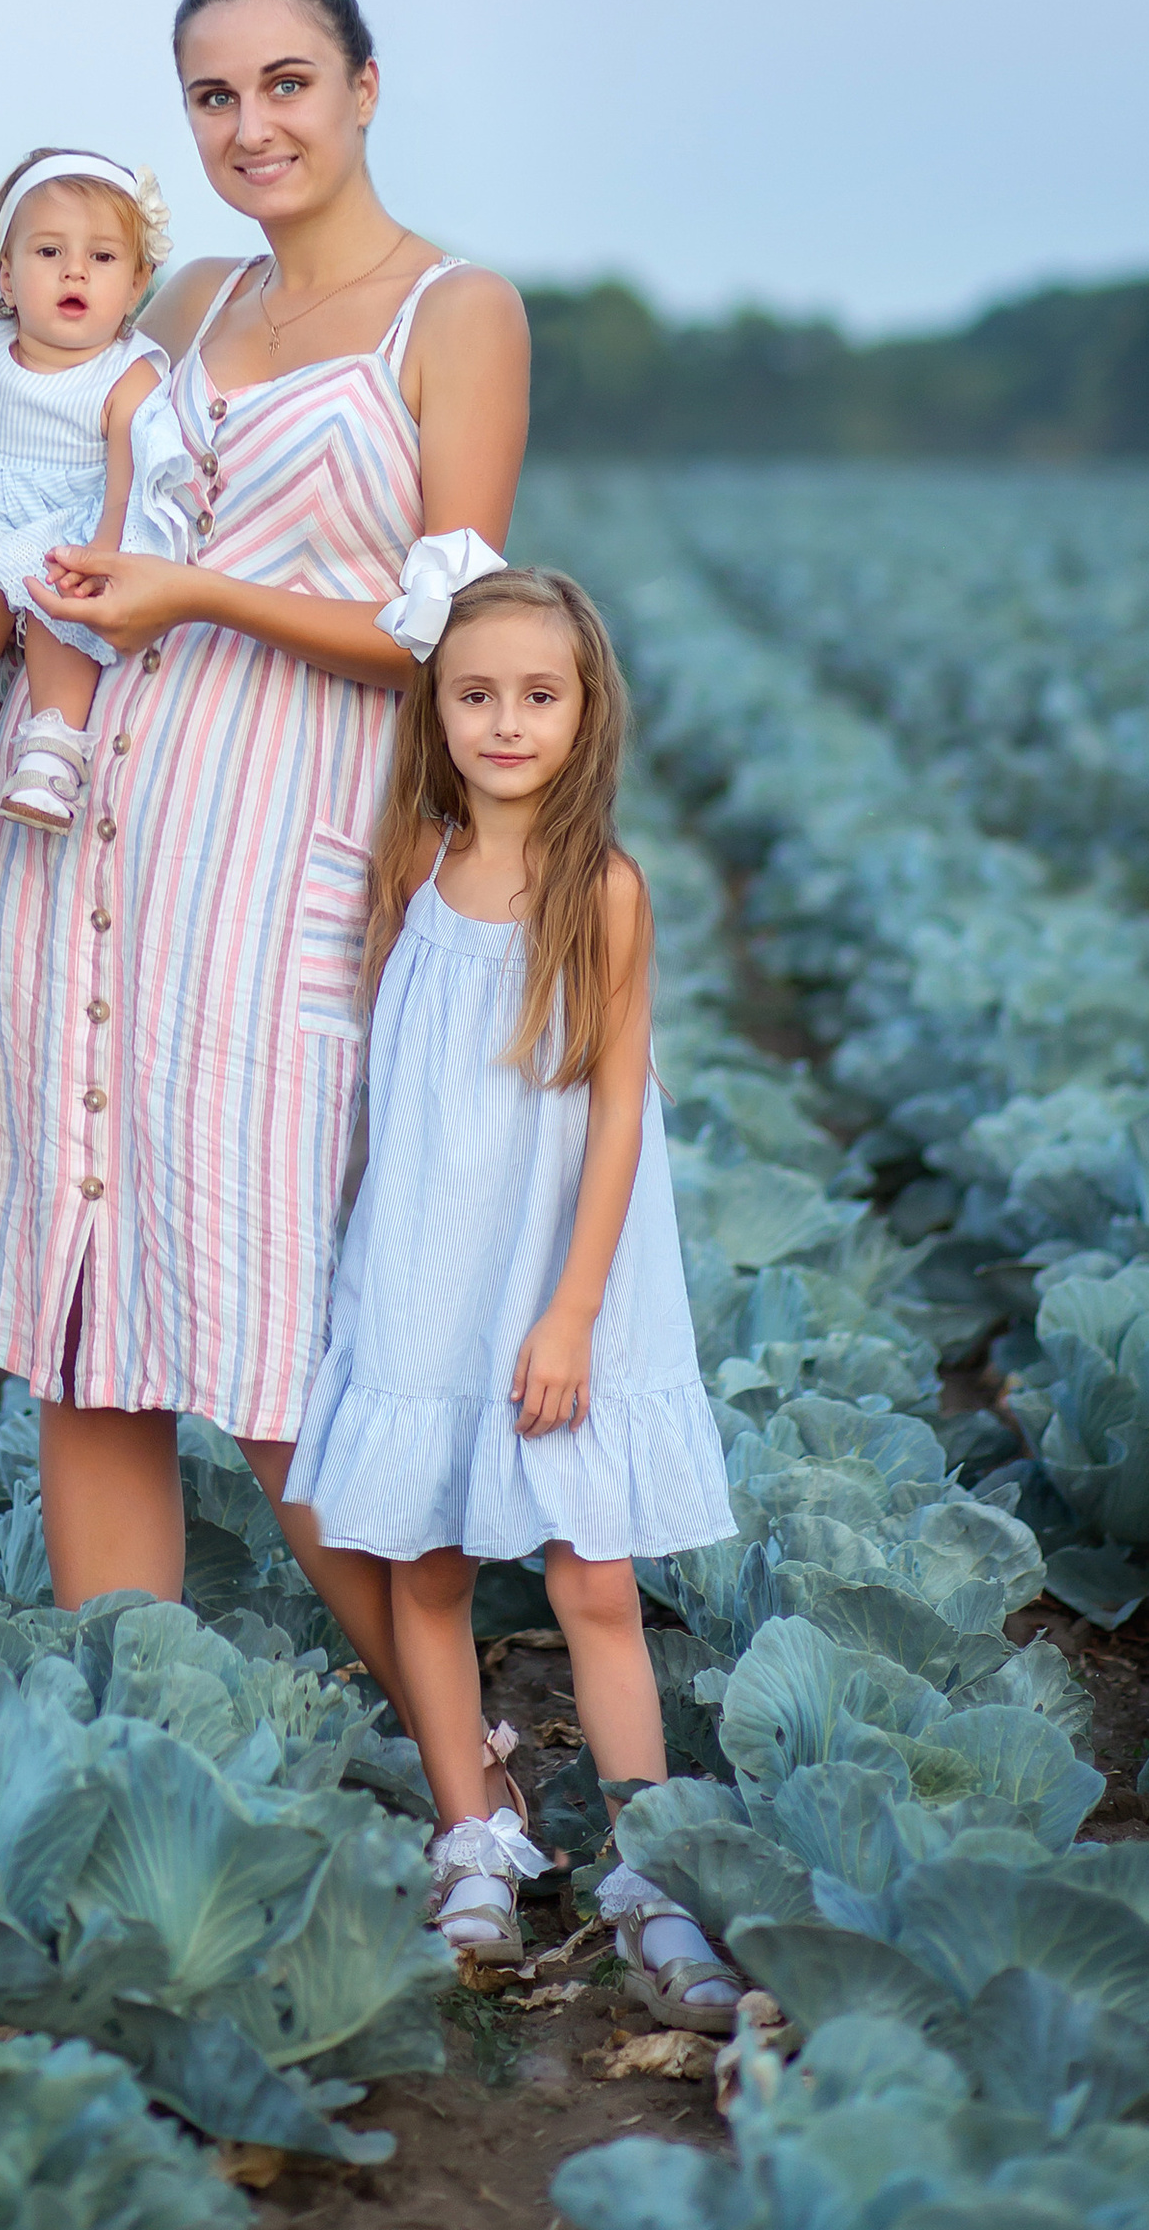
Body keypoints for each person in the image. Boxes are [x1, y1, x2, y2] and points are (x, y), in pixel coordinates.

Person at [0, 0, 527, 1682]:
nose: (253, 129)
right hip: (77, 835)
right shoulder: (178, 295)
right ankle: (130, 1739)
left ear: (367, 86)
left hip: (276, 854)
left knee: (276, 1336)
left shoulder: (457, 314)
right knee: (88, 1325)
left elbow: (460, 639)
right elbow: (49, 496)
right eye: (213, 96)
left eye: (288, 84)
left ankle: (473, 1778)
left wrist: (201, 594)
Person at [283, 566, 741, 2019]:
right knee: (423, 1560)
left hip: (550, 1269)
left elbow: (618, 1119)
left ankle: (648, 1865)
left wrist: (573, 1309)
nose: (505, 721)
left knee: (588, 1572)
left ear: (585, 710)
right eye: (475, 693)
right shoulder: (413, 865)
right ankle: (474, 1830)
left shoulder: (602, 890)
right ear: (436, 704)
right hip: (425, 1251)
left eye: (538, 696)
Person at [0, 150, 169, 858]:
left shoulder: (130, 375)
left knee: (56, 600)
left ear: (139, 281)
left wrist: (100, 557)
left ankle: (52, 753)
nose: (75, 270)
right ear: (8, 274)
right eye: (50, 251)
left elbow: (125, 481)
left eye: (103, 256)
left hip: (74, 521)